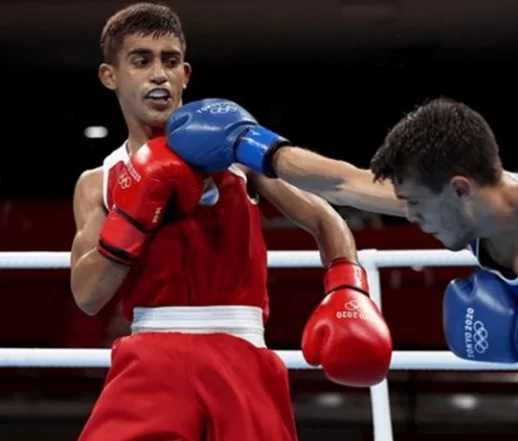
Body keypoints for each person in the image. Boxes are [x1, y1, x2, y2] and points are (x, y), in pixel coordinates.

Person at [165, 96, 518, 440]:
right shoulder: (472, 210)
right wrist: (252, 146)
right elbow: (344, 182)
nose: (410, 217)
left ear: (460, 189)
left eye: (415, 205)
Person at [69, 4, 392, 441]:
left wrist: (347, 289)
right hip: (150, 359)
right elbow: (88, 295)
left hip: (241, 354)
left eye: (170, 61)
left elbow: (323, 218)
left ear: (185, 74)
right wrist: (135, 210)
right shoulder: (100, 180)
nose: (159, 74)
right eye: (141, 60)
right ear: (111, 76)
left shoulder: (235, 154)